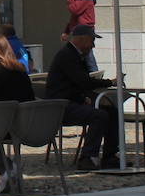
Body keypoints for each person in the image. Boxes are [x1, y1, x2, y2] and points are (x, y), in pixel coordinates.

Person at [45, 25, 117, 170]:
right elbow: (82, 81)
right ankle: (88, 157)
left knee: (112, 112)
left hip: (70, 101)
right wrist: (109, 82)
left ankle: (110, 155)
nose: (93, 46)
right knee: (99, 115)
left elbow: (77, 82)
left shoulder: (74, 55)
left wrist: (83, 96)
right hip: (61, 106)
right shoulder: (67, 55)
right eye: (92, 41)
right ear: (82, 39)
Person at [0, 33, 34, 192]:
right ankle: (6, 172)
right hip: (23, 125)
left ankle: (7, 166)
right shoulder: (21, 71)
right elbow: (29, 98)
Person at [62, 0, 99, 72]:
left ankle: (95, 78)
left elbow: (75, 10)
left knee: (87, 57)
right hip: (78, 30)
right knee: (82, 58)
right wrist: (67, 31)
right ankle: (89, 78)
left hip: (84, 31)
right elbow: (74, 17)